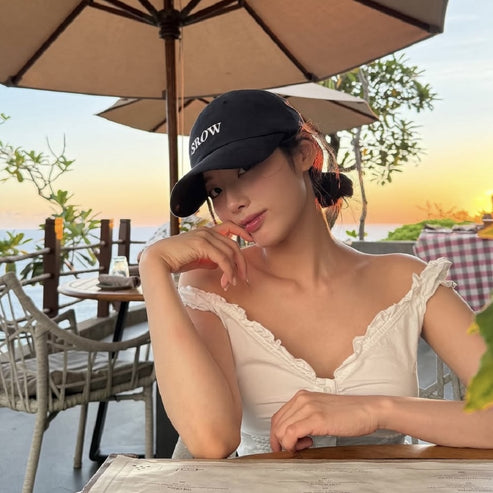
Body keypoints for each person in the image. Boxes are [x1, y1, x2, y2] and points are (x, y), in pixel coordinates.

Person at [139, 89, 492, 459]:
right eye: (216, 189)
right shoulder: (214, 285)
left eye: (245, 170)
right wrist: (154, 267)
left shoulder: (407, 280)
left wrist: (377, 410)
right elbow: (211, 441)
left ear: (305, 154)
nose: (233, 202)